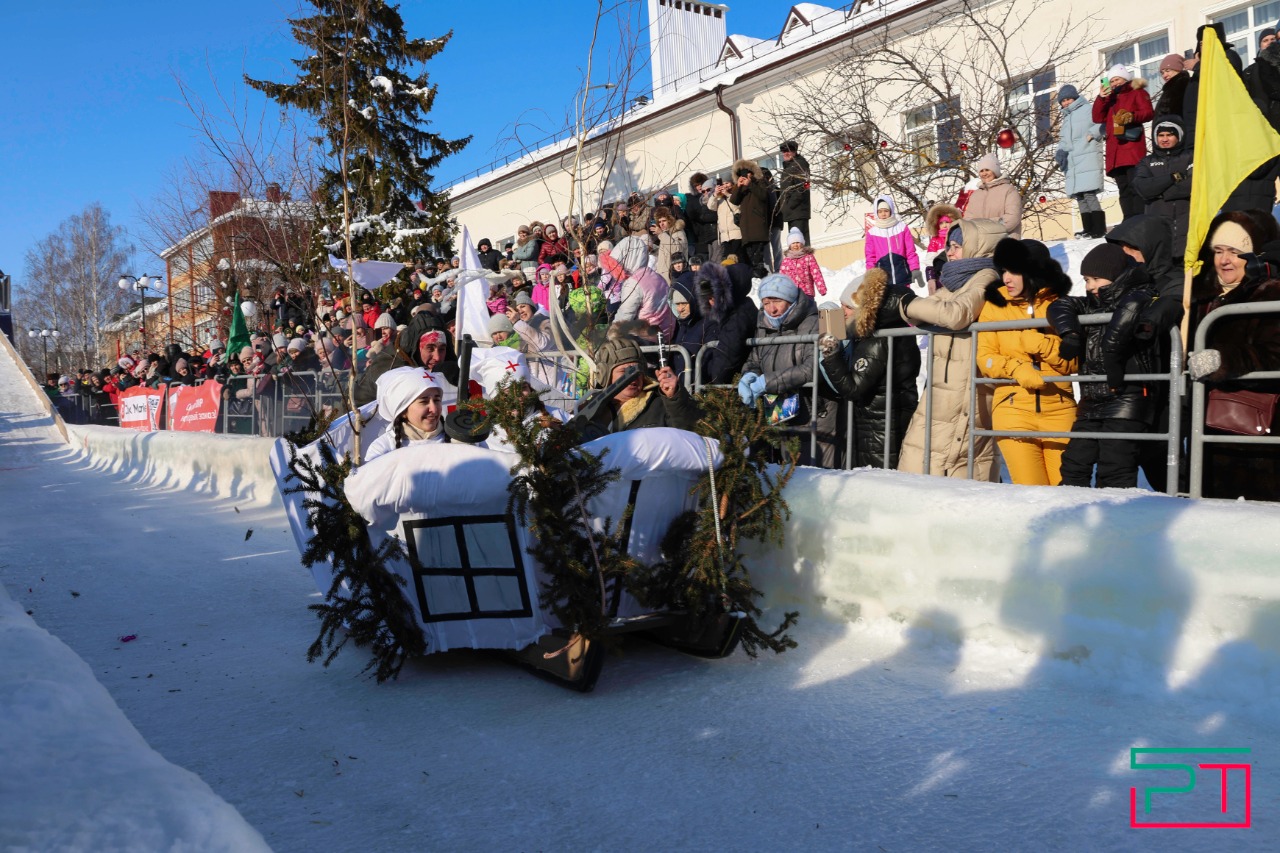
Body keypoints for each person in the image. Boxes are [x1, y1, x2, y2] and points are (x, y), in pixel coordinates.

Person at [896, 218, 1007, 480]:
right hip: (944, 390)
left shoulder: (987, 277)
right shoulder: (957, 281)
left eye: (957, 246)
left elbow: (955, 314)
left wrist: (907, 302)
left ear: (979, 247)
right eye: (949, 246)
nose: (950, 252)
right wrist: (910, 306)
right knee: (918, 460)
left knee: (952, 467)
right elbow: (924, 312)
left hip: (966, 390)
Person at [1047, 242, 1159, 489]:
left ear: (1116, 276)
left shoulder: (1140, 295)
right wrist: (1070, 333)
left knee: (1115, 466)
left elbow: (1134, 305)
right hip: (1092, 397)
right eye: (1087, 280)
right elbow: (1058, 305)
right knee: (1073, 464)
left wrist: (1112, 351)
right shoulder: (1091, 304)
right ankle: (1074, 509)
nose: (1090, 286)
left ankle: (1116, 514)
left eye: (1096, 279)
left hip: (1127, 397)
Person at [1185, 210, 1280, 501]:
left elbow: (1275, 355)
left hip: (1257, 440)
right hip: (1206, 431)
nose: (1225, 260)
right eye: (1218, 251)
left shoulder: (1271, 294)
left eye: (1236, 252)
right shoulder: (1197, 298)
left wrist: (1223, 360)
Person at [976, 239, 1077, 485]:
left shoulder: (1060, 304)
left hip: (1060, 410)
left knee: (1066, 493)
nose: (1006, 278)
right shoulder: (994, 306)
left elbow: (1074, 363)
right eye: (1003, 271)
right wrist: (1016, 368)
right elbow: (985, 358)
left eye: (1014, 271)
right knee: (1033, 494)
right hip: (1013, 410)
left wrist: (1043, 345)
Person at [817, 268, 920, 469]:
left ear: (864, 308)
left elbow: (853, 388)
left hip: (879, 430)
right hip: (883, 422)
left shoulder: (876, 341)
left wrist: (830, 353)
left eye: (848, 307)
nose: (842, 312)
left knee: (878, 482)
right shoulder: (889, 330)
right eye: (841, 305)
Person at [739, 273, 837, 467]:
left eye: (777, 301)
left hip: (814, 413)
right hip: (781, 412)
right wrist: (749, 375)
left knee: (815, 474)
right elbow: (754, 360)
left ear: (791, 300)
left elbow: (812, 367)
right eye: (766, 303)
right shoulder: (764, 324)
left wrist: (767, 382)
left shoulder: (812, 323)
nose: (772, 309)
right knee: (787, 476)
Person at [580, 331, 700, 437]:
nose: (633, 377)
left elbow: (689, 430)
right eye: (624, 371)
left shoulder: (661, 404)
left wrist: (675, 398)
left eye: (636, 370)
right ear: (605, 376)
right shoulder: (590, 410)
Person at [1092, 64, 1154, 220]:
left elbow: (1148, 112)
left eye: (1117, 79)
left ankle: (1139, 219)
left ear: (1125, 78)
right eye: (1112, 81)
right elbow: (1097, 117)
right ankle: (1128, 220)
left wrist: (1131, 116)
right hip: (1115, 152)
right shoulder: (1110, 98)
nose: (1114, 83)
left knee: (1135, 186)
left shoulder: (1137, 91)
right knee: (1123, 189)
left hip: (1131, 148)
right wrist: (1101, 98)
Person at [1133, 116, 1193, 260]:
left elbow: (1194, 184)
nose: (1164, 139)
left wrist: (1160, 192)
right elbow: (1142, 188)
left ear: (1179, 136)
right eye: (1161, 135)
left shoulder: (1191, 157)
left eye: (1169, 135)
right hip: (1158, 233)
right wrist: (1173, 178)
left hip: (1188, 227)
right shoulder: (1146, 162)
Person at [1055, 84, 1107, 239]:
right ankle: (1088, 228)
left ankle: (1099, 228)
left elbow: (1102, 122)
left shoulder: (1087, 109)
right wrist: (1060, 152)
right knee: (1080, 196)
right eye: (1063, 101)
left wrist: (1092, 134)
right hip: (1072, 161)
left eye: (1068, 99)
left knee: (1089, 193)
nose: (1066, 103)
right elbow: (1063, 140)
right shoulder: (1066, 118)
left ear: (1075, 98)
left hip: (1087, 155)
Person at [364, 367, 446, 461]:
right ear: (403, 411)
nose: (434, 409)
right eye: (424, 402)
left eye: (436, 400)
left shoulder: (455, 440)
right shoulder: (383, 448)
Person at [600, 236, 676, 338]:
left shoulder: (634, 283)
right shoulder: (656, 276)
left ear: (627, 258)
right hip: (666, 333)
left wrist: (610, 336)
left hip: (646, 337)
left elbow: (624, 317)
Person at [863, 195, 922, 286]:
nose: (883, 214)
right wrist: (871, 276)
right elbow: (870, 257)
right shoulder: (872, 233)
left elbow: (910, 251)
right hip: (883, 278)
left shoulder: (902, 228)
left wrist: (915, 269)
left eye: (886, 211)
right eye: (880, 211)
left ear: (891, 210)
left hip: (902, 275)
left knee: (904, 295)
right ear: (876, 213)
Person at [964, 153, 1023, 238]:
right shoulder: (975, 195)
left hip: (1004, 241)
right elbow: (967, 220)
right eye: (981, 171)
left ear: (995, 171)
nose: (984, 173)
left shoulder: (1009, 190)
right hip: (981, 243)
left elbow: (1012, 218)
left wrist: (984, 227)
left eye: (987, 170)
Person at [729, 158, 771, 274]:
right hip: (746, 231)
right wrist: (738, 186)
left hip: (758, 229)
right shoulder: (742, 188)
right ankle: (755, 278)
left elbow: (763, 196)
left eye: (746, 174)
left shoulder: (760, 182)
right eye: (741, 175)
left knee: (758, 261)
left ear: (752, 173)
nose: (744, 177)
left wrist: (750, 184)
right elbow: (734, 201)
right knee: (750, 262)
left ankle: (761, 277)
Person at [778, 227, 828, 298]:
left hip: (807, 292)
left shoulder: (808, 257)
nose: (795, 245)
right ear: (789, 245)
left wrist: (821, 288)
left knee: (808, 305)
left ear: (802, 243)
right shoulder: (786, 260)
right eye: (793, 243)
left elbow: (816, 273)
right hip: (792, 293)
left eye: (798, 242)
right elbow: (782, 277)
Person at [778, 140, 812, 244]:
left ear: (794, 151)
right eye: (784, 151)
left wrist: (790, 205)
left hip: (797, 211)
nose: (785, 153)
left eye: (788, 151)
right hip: (793, 212)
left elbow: (802, 188)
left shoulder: (799, 165)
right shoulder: (789, 167)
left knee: (800, 243)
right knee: (796, 243)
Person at [706, 178, 743, 263]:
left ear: (732, 184)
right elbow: (710, 206)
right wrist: (715, 194)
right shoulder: (720, 198)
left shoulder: (736, 194)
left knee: (738, 258)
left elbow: (738, 206)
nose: (725, 185)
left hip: (737, 233)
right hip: (724, 235)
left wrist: (727, 194)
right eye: (723, 184)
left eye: (727, 183)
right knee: (728, 261)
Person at [653, 206, 688, 285]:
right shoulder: (666, 234)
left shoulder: (678, 233)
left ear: (670, 220)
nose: (661, 224)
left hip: (675, 276)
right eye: (659, 222)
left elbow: (677, 250)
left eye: (664, 221)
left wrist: (661, 234)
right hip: (664, 276)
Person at [1154, 54, 1191, 119]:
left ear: (1178, 70)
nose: (1164, 75)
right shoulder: (1169, 89)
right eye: (1162, 73)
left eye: (1168, 71)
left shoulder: (1182, 87)